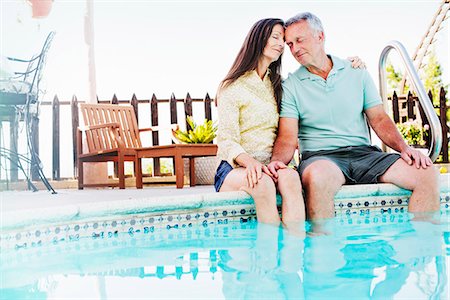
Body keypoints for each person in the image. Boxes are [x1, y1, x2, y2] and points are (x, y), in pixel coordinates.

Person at [267, 12, 440, 220]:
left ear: (320, 36)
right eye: (290, 44)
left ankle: (420, 249)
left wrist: (404, 148)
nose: (294, 49)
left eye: (299, 40)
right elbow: (287, 136)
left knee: (427, 174)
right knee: (318, 178)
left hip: (365, 155)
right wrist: (277, 161)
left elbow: (379, 118)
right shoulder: (291, 86)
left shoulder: (356, 72)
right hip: (321, 158)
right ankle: (323, 249)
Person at [215, 18, 364, 225]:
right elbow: (226, 140)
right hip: (236, 167)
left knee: (293, 180)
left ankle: (293, 252)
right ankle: (269, 253)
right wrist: (252, 164)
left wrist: (349, 65)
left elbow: (314, 83)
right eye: (275, 38)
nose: (281, 44)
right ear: (258, 39)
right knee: (263, 184)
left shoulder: (278, 85)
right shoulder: (232, 87)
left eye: (282, 40)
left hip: (273, 164)